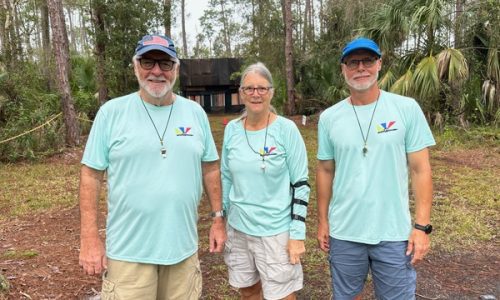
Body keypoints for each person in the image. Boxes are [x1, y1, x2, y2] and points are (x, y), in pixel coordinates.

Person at [78, 34, 226, 299]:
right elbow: (91, 175)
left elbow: (211, 167)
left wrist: (217, 219)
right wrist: (89, 237)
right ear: (136, 66)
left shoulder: (195, 114)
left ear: (176, 70)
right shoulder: (112, 113)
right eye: (148, 62)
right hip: (128, 254)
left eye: (165, 64)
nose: (157, 71)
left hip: (183, 250)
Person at [316, 37, 435, 299]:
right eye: (353, 62)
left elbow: (420, 170)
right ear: (343, 69)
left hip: (393, 232)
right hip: (345, 231)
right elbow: (325, 170)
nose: (361, 68)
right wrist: (323, 221)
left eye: (368, 60)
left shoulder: (406, 109)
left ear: (379, 64)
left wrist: (422, 226)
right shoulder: (329, 118)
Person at [221, 62, 310, 300]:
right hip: (238, 230)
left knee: (281, 296)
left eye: (262, 88)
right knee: (249, 291)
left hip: (275, 232)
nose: (256, 94)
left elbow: (300, 183)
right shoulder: (232, 130)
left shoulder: (286, 130)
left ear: (271, 92)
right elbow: (226, 177)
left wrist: (297, 233)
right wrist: (220, 219)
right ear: (241, 92)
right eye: (249, 88)